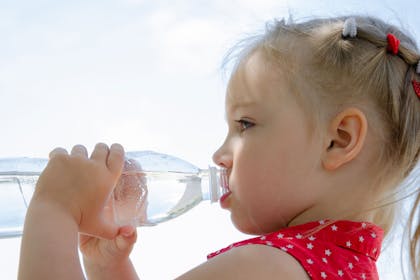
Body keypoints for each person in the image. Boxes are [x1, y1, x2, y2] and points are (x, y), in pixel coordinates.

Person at [18, 15, 419, 280]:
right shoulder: (342, 268)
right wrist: (109, 267)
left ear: (339, 140)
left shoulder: (266, 267)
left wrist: (53, 211)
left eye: (245, 124)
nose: (219, 155)